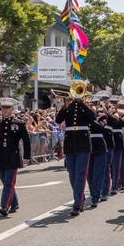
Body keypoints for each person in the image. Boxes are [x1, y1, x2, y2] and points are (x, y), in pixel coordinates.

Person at [55, 86, 98, 216]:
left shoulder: (84, 106)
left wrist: (82, 103)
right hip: (70, 144)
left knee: (80, 174)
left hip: (83, 143)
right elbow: (58, 120)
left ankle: (77, 204)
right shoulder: (68, 107)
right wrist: (64, 105)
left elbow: (93, 116)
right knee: (72, 174)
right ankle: (80, 198)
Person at [0, 98, 31, 216]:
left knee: (8, 182)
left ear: (12, 109)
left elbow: (26, 141)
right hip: (1, 156)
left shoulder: (19, 123)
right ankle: (14, 203)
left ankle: (4, 206)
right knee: (5, 181)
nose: (5, 110)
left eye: (7, 108)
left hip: (13, 156)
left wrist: (26, 156)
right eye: (3, 108)